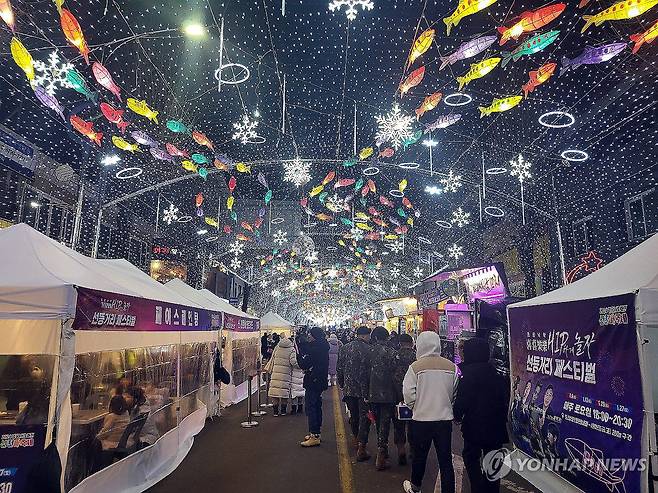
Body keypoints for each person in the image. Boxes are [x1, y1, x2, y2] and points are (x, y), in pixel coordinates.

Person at [402, 331, 457, 493]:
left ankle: (415, 487)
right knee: (445, 459)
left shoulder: (415, 367)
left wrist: (415, 407)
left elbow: (408, 393)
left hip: (421, 420)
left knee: (420, 456)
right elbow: (454, 393)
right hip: (444, 421)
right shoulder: (451, 366)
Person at [453, 337, 509, 493]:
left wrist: (457, 415)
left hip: (474, 425)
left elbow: (462, 399)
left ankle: (477, 487)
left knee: (471, 456)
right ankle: (491, 489)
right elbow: (505, 398)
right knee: (493, 460)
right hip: (496, 426)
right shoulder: (497, 372)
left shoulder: (466, 373)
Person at [336, 326, 372, 461]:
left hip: (349, 389)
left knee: (354, 416)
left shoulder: (345, 348)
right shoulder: (369, 349)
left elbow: (339, 367)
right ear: (365, 335)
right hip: (364, 390)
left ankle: (356, 438)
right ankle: (362, 446)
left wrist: (341, 384)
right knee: (365, 417)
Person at [367, 326, 399, 471]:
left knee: (378, 422)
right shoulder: (391, 352)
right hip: (388, 394)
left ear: (374, 337)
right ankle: (381, 454)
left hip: (372, 393)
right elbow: (396, 374)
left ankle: (381, 451)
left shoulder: (369, 351)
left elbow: (364, 373)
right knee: (385, 423)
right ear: (386, 337)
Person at [297, 327, 329, 447]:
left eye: (310, 335)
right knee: (316, 406)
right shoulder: (322, 346)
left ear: (314, 336)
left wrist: (300, 354)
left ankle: (314, 434)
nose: (308, 337)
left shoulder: (315, 349)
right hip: (319, 380)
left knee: (311, 407)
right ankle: (316, 433)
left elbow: (304, 364)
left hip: (313, 380)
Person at [392, 333, 416, 465]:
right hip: (414, 397)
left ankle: (401, 450)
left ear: (399, 343)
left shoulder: (394, 356)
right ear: (412, 343)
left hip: (397, 396)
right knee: (413, 424)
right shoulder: (417, 357)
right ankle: (413, 449)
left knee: (398, 424)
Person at [265, 336, 296, 416]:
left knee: (275, 392)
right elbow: (293, 362)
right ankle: (283, 411)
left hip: (275, 372)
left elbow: (272, 358)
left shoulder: (277, 347)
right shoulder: (291, 349)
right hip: (286, 373)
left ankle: (275, 412)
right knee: (284, 393)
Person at [290, 337, 305, 414]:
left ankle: (294, 408)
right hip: (301, 373)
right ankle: (300, 407)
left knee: (294, 392)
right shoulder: (305, 351)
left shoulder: (292, 351)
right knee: (300, 391)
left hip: (294, 374)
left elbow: (292, 362)